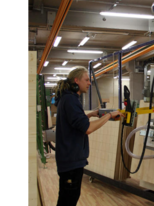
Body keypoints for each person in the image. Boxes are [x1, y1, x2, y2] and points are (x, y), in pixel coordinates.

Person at [53, 66, 125, 206]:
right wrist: (110, 115)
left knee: (67, 199)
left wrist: (91, 114)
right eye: (86, 80)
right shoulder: (71, 100)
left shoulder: (68, 98)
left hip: (69, 160)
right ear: (76, 80)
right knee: (68, 200)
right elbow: (88, 128)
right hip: (71, 161)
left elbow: (74, 123)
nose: (89, 83)